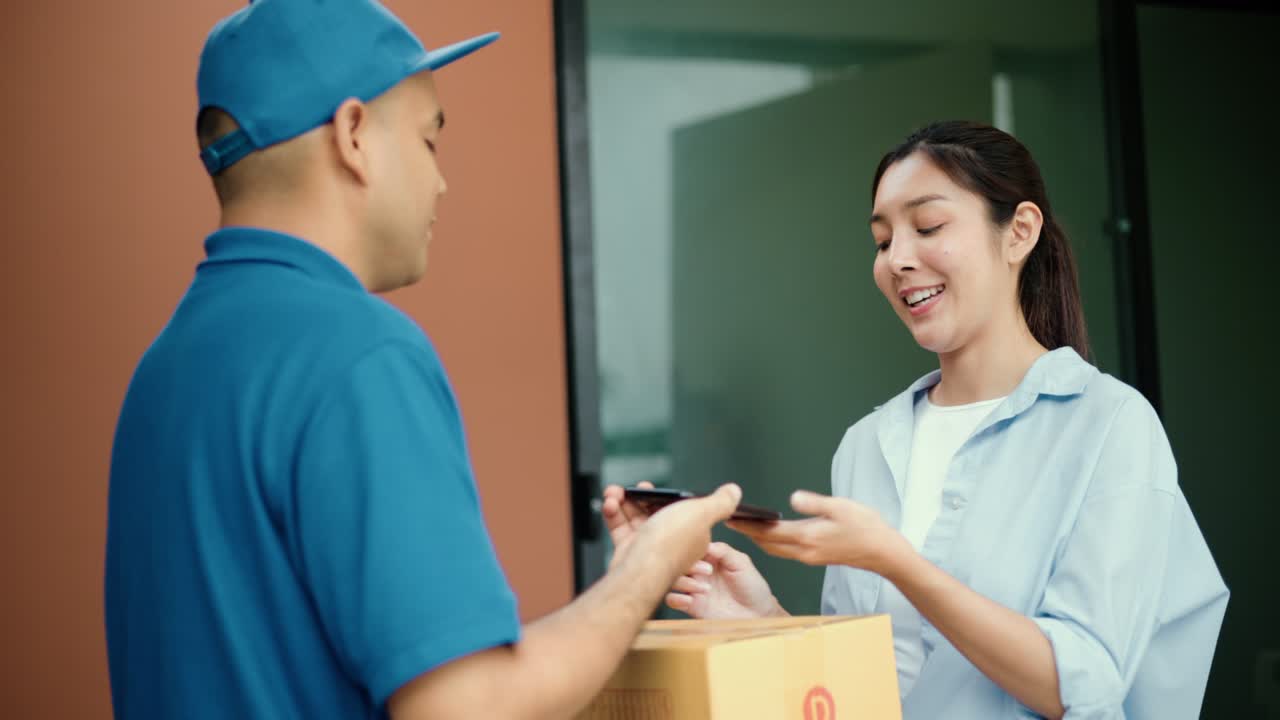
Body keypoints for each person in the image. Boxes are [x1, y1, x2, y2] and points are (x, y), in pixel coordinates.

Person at [104, 2, 743, 718]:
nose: (440, 182)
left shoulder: (162, 372)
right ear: (352, 135)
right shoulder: (358, 353)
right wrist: (647, 570)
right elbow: (466, 706)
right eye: (429, 140)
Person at [604, 121, 1229, 719]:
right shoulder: (867, 445)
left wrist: (896, 562)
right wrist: (760, 621)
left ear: (1019, 232)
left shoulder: (1109, 425)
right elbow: (860, 688)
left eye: (928, 226)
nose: (897, 259)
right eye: (882, 241)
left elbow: (1083, 687)